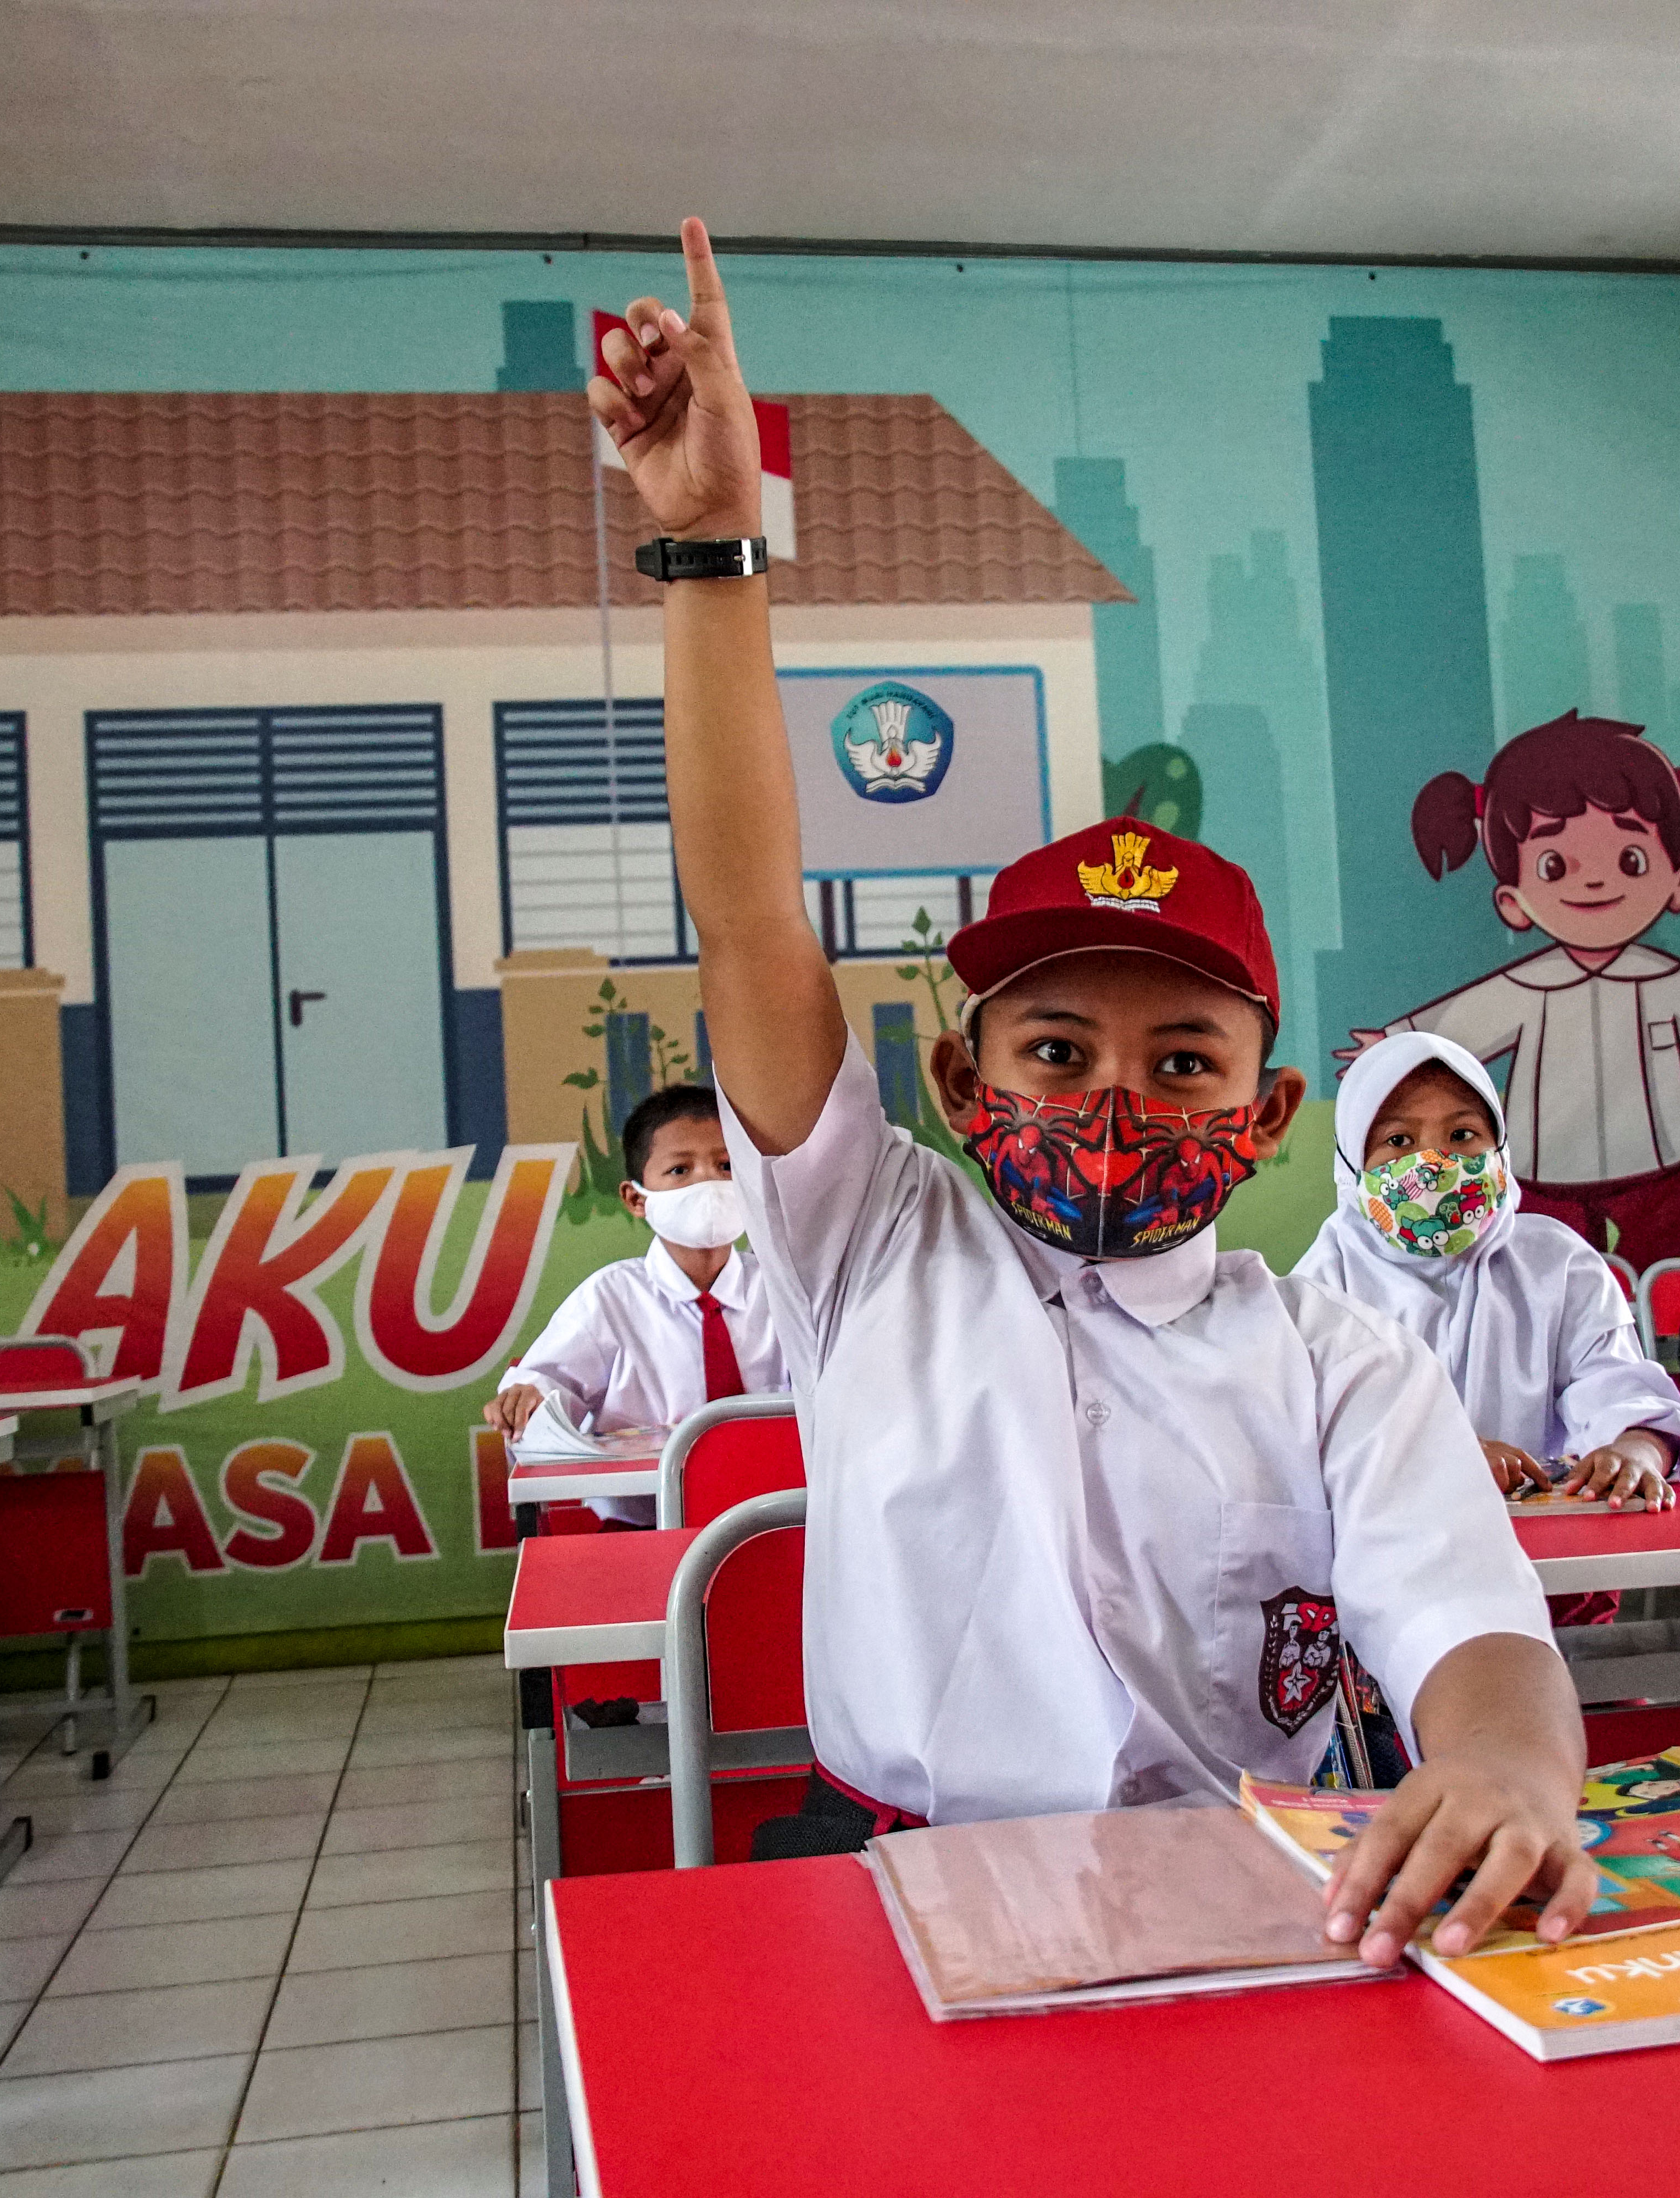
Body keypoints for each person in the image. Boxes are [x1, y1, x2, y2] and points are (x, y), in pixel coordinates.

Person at [589, 220, 1594, 1966]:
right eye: (1052, 1049)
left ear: (1270, 1116)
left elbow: (1471, 1628)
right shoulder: (862, 1242)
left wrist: (1506, 1766)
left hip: (1257, 1896)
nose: (1111, 1100)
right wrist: (708, 550)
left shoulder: (1332, 1359)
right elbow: (750, 914)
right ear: (953, 1074)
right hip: (889, 1892)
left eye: (1180, 1062)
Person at [1349, 715, 1680, 1269]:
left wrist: (1670, 1107)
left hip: (1661, 1162)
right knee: (1546, 1283)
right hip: (1546, 1168)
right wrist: (1392, 1043)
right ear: (1513, 900)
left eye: (1631, 860)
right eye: (1555, 865)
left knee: (1656, 1283)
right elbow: (1458, 1028)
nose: (1596, 882)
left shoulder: (1671, 984)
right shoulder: (1528, 986)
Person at [1293, 1034, 1680, 1512]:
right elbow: (1304, 1434)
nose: (1435, 1166)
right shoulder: (1322, 1286)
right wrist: (1440, 1456)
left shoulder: (1556, 1264)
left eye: (1462, 1135)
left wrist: (1637, 1445)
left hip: (1550, 1547)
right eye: (1399, 1141)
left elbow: (1612, 1379)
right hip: (1381, 1555)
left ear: (1500, 1152)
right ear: (1352, 1165)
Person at [489, 1084, 780, 1526]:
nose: (708, 1182)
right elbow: (547, 1391)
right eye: (681, 1170)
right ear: (636, 1199)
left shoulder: (785, 1291)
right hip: (641, 1528)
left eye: (725, 1165)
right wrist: (527, 1400)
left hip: (780, 1519)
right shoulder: (610, 1298)